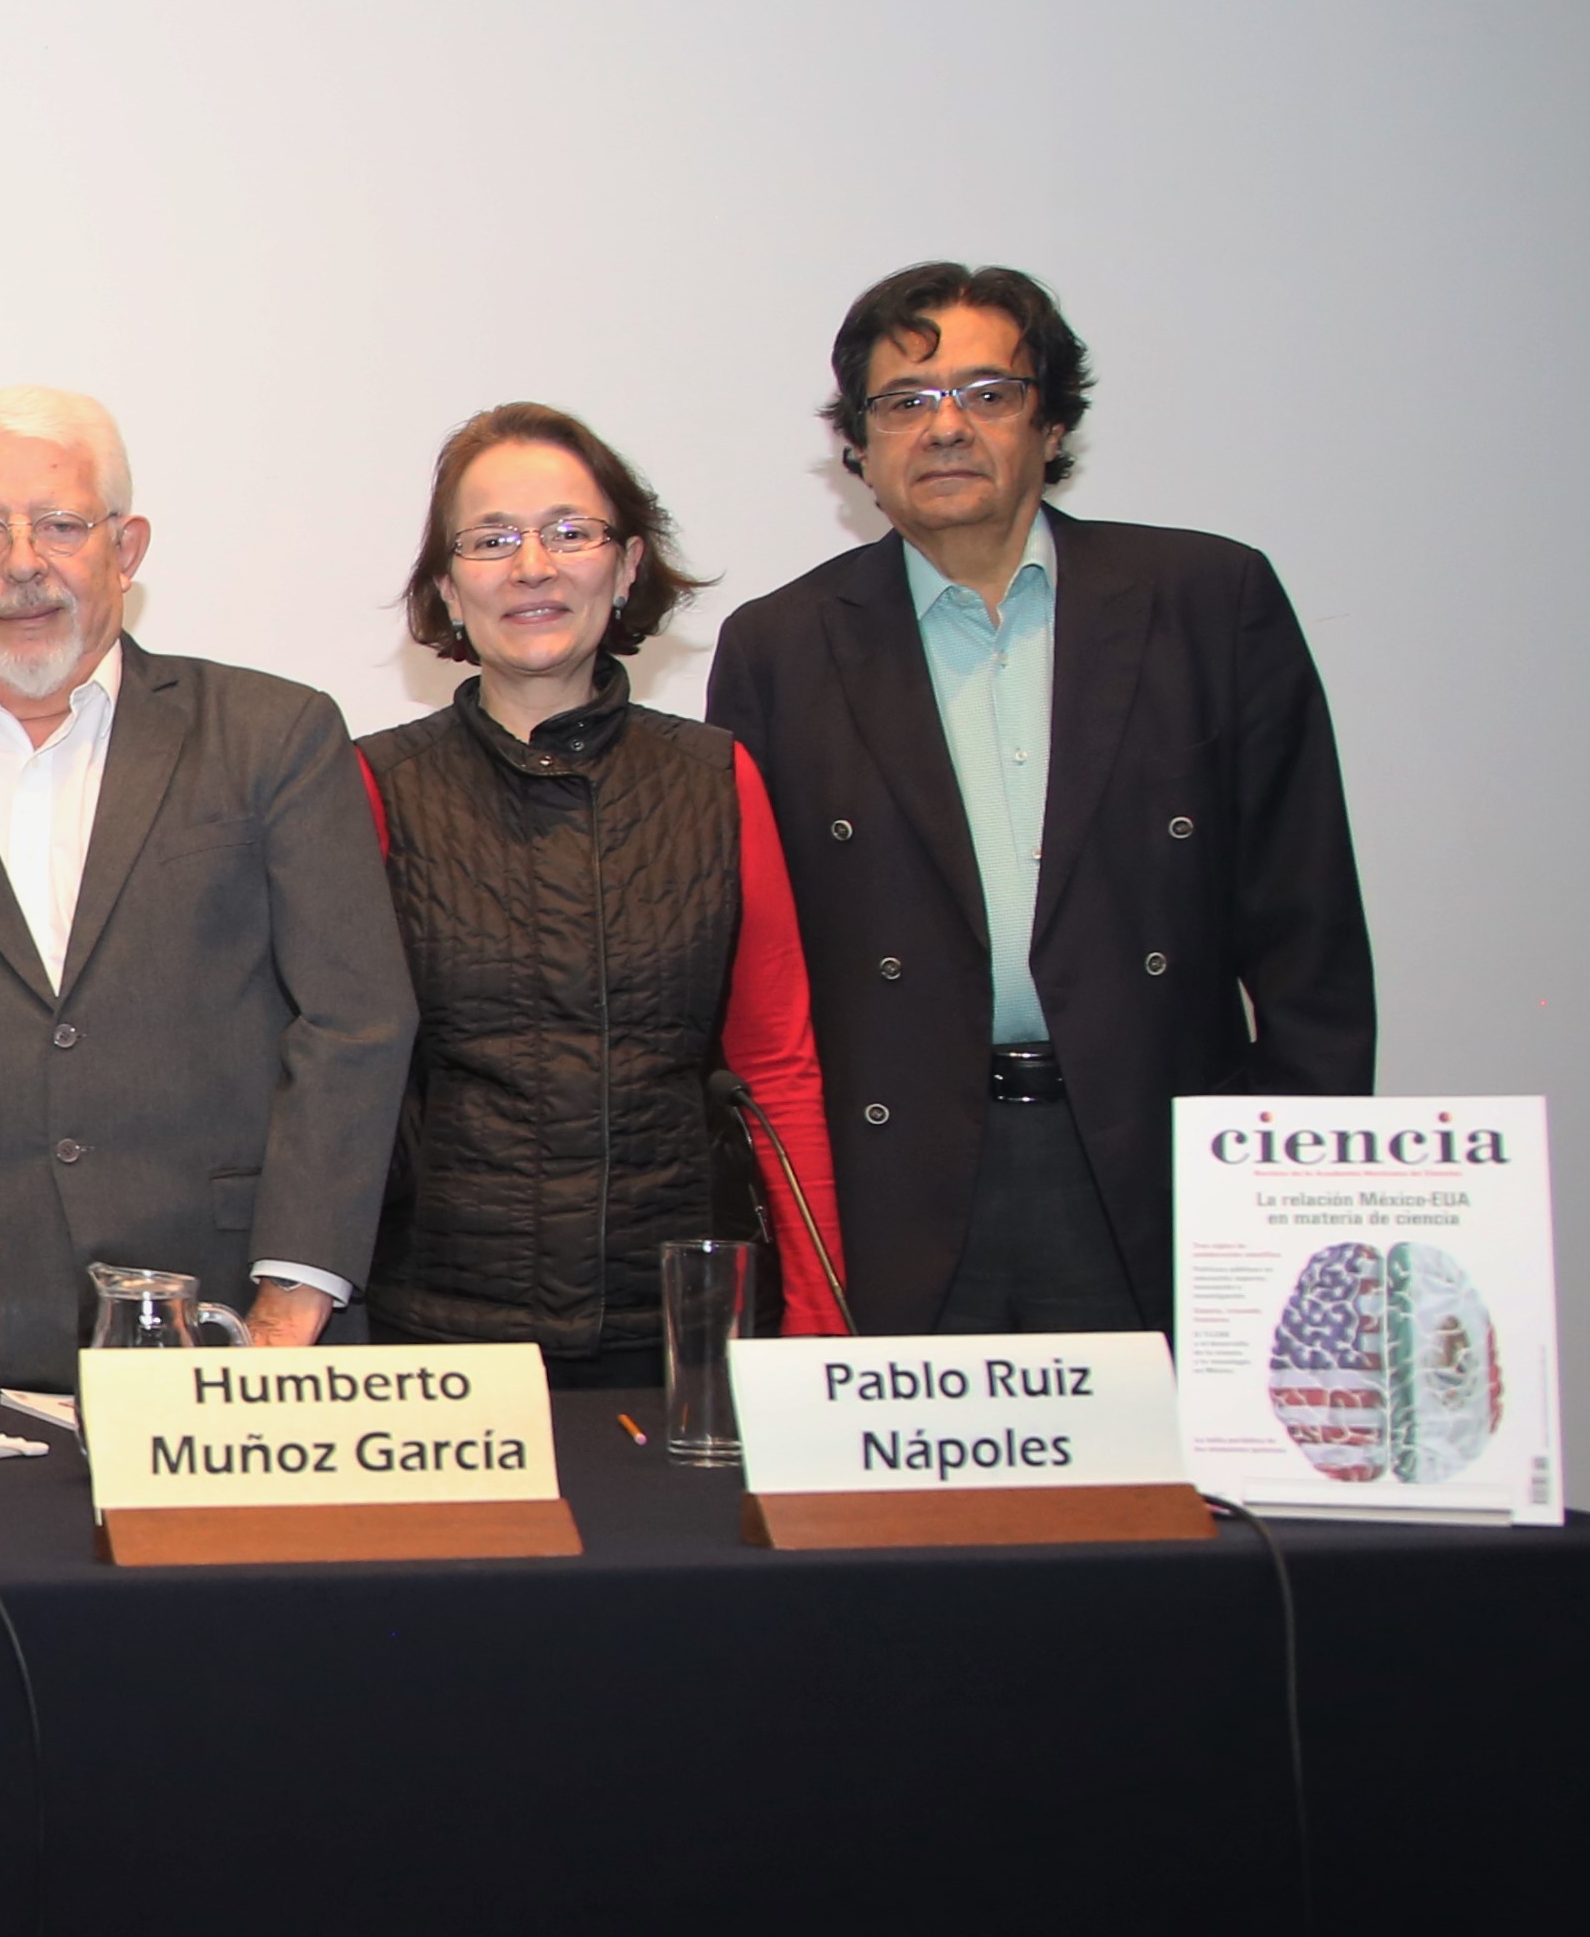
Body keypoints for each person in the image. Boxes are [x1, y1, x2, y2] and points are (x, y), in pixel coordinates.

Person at [706, 263, 1370, 1334]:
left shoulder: (1206, 603)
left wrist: (1297, 1203)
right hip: (897, 1174)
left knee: (1154, 1502)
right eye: (904, 402)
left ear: (1049, 425)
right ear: (857, 449)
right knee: (915, 1498)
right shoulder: (778, 648)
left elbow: (1307, 938)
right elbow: (752, 964)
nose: (944, 428)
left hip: (1156, 1168)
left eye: (987, 393)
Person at [0, 387, 412, 1398]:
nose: (23, 562)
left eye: (60, 524)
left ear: (126, 547)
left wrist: (296, 1285)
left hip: (233, 1329)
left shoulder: (271, 738)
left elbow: (353, 1023)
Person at [353, 405, 846, 1380]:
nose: (531, 566)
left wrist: (819, 1324)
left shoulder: (717, 779)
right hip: (438, 1340)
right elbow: (333, 1083)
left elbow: (776, 1067)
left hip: (682, 1332)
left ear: (624, 569)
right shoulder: (371, 785)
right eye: (491, 540)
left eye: (568, 532)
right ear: (447, 589)